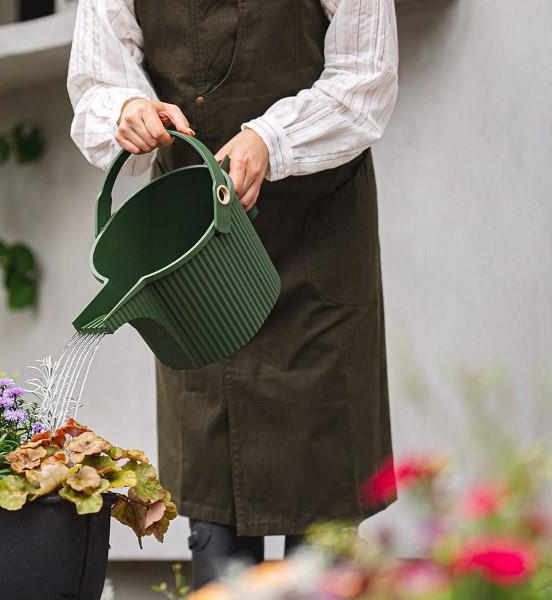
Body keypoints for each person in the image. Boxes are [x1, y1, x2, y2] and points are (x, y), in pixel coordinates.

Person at [67, 0, 399, 588]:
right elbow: (100, 75)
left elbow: (365, 77)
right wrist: (129, 110)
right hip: (193, 265)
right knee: (215, 534)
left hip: (315, 251)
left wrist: (270, 139)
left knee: (321, 539)